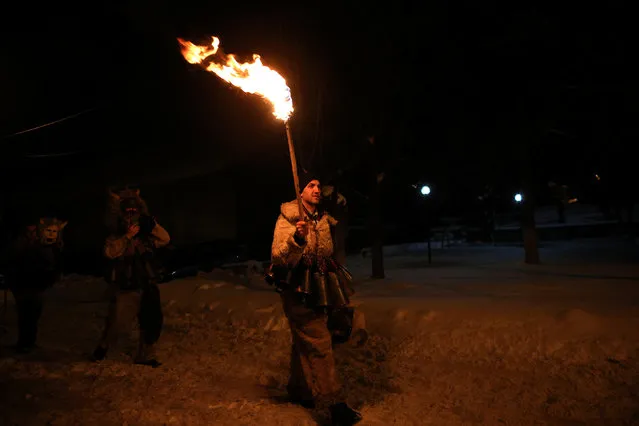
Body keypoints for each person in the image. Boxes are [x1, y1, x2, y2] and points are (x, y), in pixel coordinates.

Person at [269, 173, 363, 425]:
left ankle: (300, 389)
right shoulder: (288, 217)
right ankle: (334, 404)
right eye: (311, 185)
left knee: (306, 339)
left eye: (319, 186)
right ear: (300, 191)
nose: (317, 189)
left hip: (322, 287)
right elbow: (278, 256)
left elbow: (326, 251)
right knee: (319, 342)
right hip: (299, 289)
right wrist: (297, 239)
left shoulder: (322, 218)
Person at [92, 188, 170, 367]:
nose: (131, 216)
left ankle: (146, 354)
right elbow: (110, 252)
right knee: (118, 323)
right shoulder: (116, 236)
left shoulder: (146, 236)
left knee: (151, 320)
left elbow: (165, 239)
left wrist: (153, 226)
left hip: (147, 284)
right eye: (127, 212)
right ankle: (104, 346)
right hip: (127, 286)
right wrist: (127, 237)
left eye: (135, 212)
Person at [6, 218, 66, 353]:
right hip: (25, 284)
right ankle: (24, 342)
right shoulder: (25, 245)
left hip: (37, 284)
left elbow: (54, 264)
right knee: (26, 313)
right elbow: (18, 263)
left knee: (34, 313)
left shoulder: (48, 247)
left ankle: (29, 341)